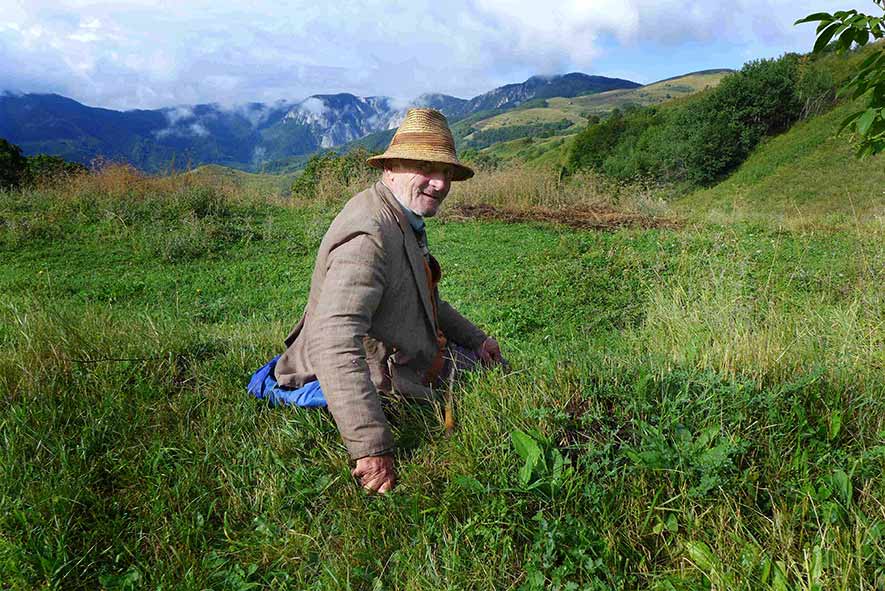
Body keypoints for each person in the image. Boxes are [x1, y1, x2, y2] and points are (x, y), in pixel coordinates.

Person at [267, 108, 503, 494]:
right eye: (426, 168)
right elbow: (334, 338)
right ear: (390, 167)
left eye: (446, 172)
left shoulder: (400, 216)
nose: (440, 183)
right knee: (489, 386)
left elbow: (425, 296)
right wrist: (371, 448)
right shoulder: (370, 232)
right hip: (375, 368)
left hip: (399, 349)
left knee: (494, 365)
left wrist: (478, 340)